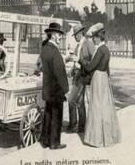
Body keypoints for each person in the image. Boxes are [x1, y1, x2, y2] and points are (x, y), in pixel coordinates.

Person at [81, 23, 121, 147]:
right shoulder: (106, 50)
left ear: (100, 38)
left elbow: (90, 67)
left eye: (95, 37)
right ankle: (107, 137)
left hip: (98, 78)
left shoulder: (100, 50)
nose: (94, 39)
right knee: (104, 106)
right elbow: (107, 69)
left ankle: (97, 139)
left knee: (96, 106)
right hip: (103, 78)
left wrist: (81, 61)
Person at [40, 22, 69, 150]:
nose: (59, 37)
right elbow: (59, 72)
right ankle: (54, 143)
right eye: (58, 34)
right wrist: (65, 88)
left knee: (48, 113)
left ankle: (45, 140)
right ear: (52, 35)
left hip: (47, 87)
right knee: (56, 116)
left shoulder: (45, 48)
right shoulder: (55, 51)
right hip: (56, 89)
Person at [65, 24, 95, 133]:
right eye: (74, 35)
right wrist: (72, 70)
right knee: (80, 102)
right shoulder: (78, 46)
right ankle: (82, 126)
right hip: (77, 74)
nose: (75, 37)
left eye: (76, 35)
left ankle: (73, 125)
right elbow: (76, 61)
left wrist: (83, 65)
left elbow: (93, 61)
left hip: (83, 75)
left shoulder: (88, 44)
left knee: (71, 100)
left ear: (81, 33)